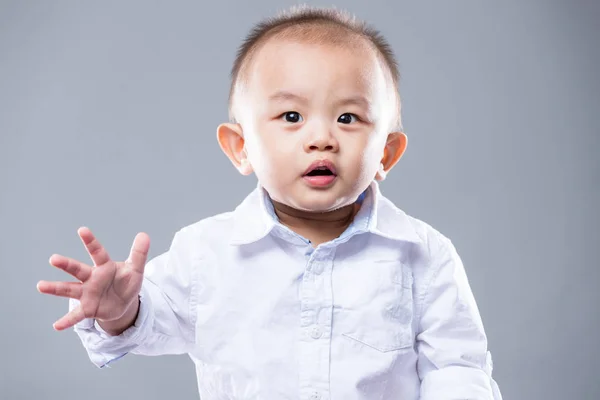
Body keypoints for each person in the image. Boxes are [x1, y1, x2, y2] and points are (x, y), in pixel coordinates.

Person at [37, 5, 502, 400]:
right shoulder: (205, 253)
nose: (322, 138)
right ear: (241, 147)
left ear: (386, 153)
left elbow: (459, 369)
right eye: (292, 116)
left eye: (348, 117)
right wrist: (122, 310)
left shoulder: (424, 255)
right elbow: (152, 321)